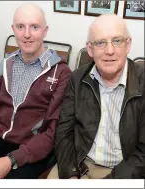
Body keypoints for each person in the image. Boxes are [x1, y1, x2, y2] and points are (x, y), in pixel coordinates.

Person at [48, 14, 145, 179]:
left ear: (128, 45)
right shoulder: (77, 78)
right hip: (78, 162)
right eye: (100, 43)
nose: (109, 51)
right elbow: (64, 132)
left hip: (123, 170)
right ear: (90, 49)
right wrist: (70, 173)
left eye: (117, 41)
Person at [0, 3, 71, 179]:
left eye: (35, 27)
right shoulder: (4, 65)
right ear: (13, 29)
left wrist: (10, 160)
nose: (27, 34)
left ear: (45, 31)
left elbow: (52, 132)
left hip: (31, 149)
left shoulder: (61, 73)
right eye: (20, 26)